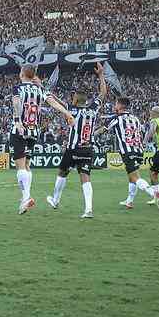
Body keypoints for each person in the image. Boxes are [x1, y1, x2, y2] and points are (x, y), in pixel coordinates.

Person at [10, 65, 74, 215]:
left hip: (21, 129)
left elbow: (16, 103)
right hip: (34, 130)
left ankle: (26, 198)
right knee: (27, 164)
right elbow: (53, 103)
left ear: (22, 74)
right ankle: (25, 199)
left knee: (20, 165)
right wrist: (67, 113)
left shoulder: (18, 88)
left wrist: (17, 120)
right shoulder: (40, 89)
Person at [46, 63, 107, 219]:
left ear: (76, 99)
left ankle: (56, 200)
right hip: (87, 149)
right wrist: (100, 76)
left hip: (73, 149)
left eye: (73, 97)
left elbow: (57, 102)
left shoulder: (71, 109)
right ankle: (88, 209)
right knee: (85, 177)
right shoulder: (93, 110)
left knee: (62, 173)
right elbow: (102, 94)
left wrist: (46, 90)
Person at [100, 97, 159, 209]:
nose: (115, 106)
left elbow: (103, 130)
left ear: (120, 105)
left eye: (116, 104)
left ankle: (155, 194)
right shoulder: (135, 118)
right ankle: (129, 201)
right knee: (131, 176)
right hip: (138, 150)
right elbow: (142, 131)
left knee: (134, 177)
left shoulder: (117, 118)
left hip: (128, 151)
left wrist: (91, 135)